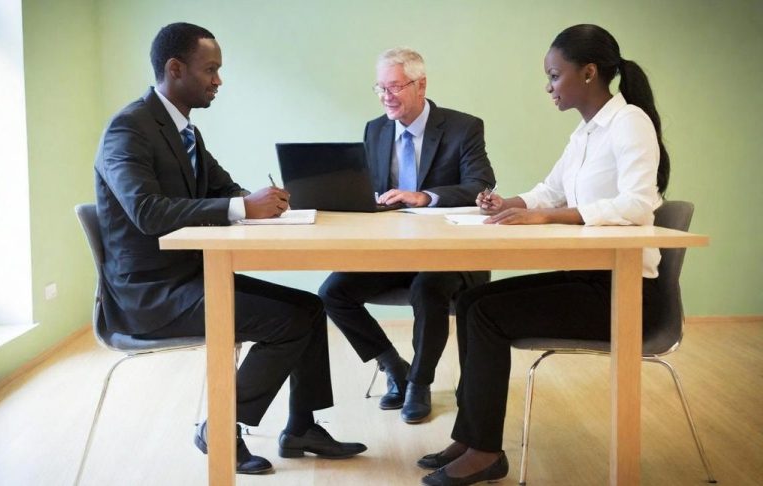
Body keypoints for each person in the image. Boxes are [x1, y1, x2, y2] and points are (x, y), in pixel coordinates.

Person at [94, 22, 366, 475]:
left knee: (311, 308)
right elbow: (147, 211)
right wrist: (242, 206)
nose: (218, 81)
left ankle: (301, 427)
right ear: (175, 69)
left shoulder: (186, 133)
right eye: (211, 70)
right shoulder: (129, 129)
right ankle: (219, 427)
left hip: (192, 277)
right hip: (150, 294)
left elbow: (226, 190)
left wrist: (267, 202)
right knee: (288, 322)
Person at [418, 24, 670, 485]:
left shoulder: (629, 122)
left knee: (486, 314)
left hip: (627, 293)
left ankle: (485, 452)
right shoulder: (585, 132)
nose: (548, 86)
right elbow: (550, 190)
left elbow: (640, 204)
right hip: (591, 280)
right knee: (474, 302)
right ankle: (473, 436)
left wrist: (552, 217)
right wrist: (510, 202)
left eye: (555, 75)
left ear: (589, 72)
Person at [318, 47, 495, 424]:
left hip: (451, 256)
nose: (386, 97)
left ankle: (419, 382)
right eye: (380, 88)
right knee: (332, 293)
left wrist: (425, 196)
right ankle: (392, 365)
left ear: (421, 85)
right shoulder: (375, 129)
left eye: (395, 87)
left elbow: (481, 184)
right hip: (394, 252)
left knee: (427, 288)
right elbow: (368, 188)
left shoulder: (463, 127)